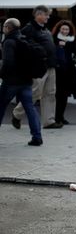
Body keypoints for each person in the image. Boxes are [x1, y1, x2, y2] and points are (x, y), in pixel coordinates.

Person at [11, 5, 59, 129]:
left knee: (50, 93)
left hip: (50, 65)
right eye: (46, 14)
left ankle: (49, 121)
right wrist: (40, 51)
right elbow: (23, 45)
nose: (48, 17)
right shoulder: (29, 29)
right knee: (35, 93)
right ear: (38, 15)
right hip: (38, 67)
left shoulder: (46, 30)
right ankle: (17, 114)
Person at [0, 18, 42, 146]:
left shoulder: (9, 42)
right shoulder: (24, 39)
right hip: (26, 81)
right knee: (30, 108)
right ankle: (37, 137)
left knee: (0, 106)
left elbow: (8, 63)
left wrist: (2, 75)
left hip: (11, 82)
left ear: (8, 27)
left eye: (4, 26)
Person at [52, 20, 76, 125]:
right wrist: (59, 44)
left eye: (67, 29)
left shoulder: (72, 40)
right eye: (63, 29)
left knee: (65, 95)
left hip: (68, 70)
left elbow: (75, 49)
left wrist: (65, 44)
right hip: (58, 70)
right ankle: (57, 117)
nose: (65, 31)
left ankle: (61, 116)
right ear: (59, 29)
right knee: (58, 94)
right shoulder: (54, 39)